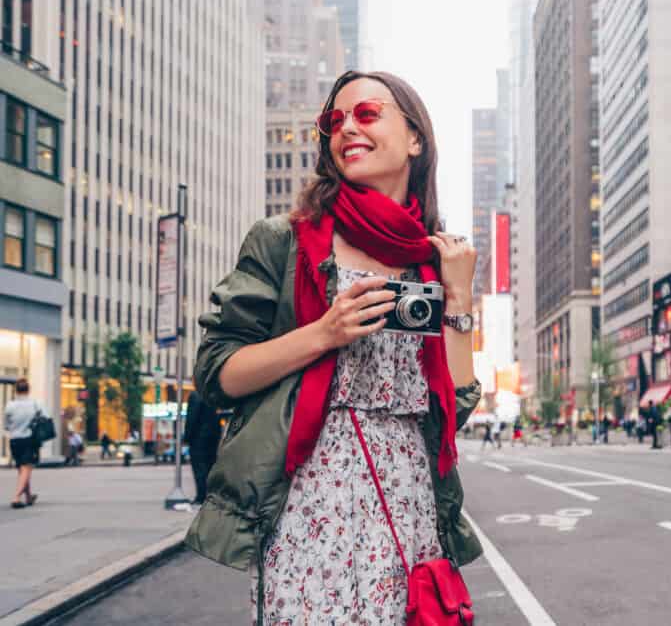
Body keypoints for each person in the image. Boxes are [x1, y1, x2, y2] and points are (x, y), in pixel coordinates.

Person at [184, 71, 483, 624]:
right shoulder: (286, 240)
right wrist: (324, 332)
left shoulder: (431, 258)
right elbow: (217, 371)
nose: (347, 129)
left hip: (409, 513)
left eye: (367, 114)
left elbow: (453, 407)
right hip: (308, 511)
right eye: (333, 121)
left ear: (415, 138)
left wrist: (458, 295)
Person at [4, 378, 44, 508]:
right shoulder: (34, 404)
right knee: (27, 468)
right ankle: (16, 498)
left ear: (16, 390)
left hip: (14, 440)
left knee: (22, 469)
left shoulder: (10, 405)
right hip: (29, 439)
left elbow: (6, 425)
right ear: (28, 390)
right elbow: (44, 419)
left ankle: (28, 496)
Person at [183, 391, 222, 504]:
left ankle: (201, 496)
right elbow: (217, 418)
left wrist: (187, 437)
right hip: (212, 438)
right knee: (210, 467)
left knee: (199, 469)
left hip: (198, 438)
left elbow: (192, 417)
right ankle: (210, 495)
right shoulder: (212, 395)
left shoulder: (195, 396)